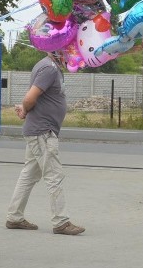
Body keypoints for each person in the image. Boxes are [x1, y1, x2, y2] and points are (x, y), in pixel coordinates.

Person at [5, 52, 85, 235]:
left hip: (39, 130)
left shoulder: (51, 66)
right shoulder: (49, 68)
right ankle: (61, 221)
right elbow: (29, 98)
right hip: (43, 132)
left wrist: (26, 109)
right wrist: (25, 109)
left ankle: (14, 217)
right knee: (54, 176)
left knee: (29, 175)